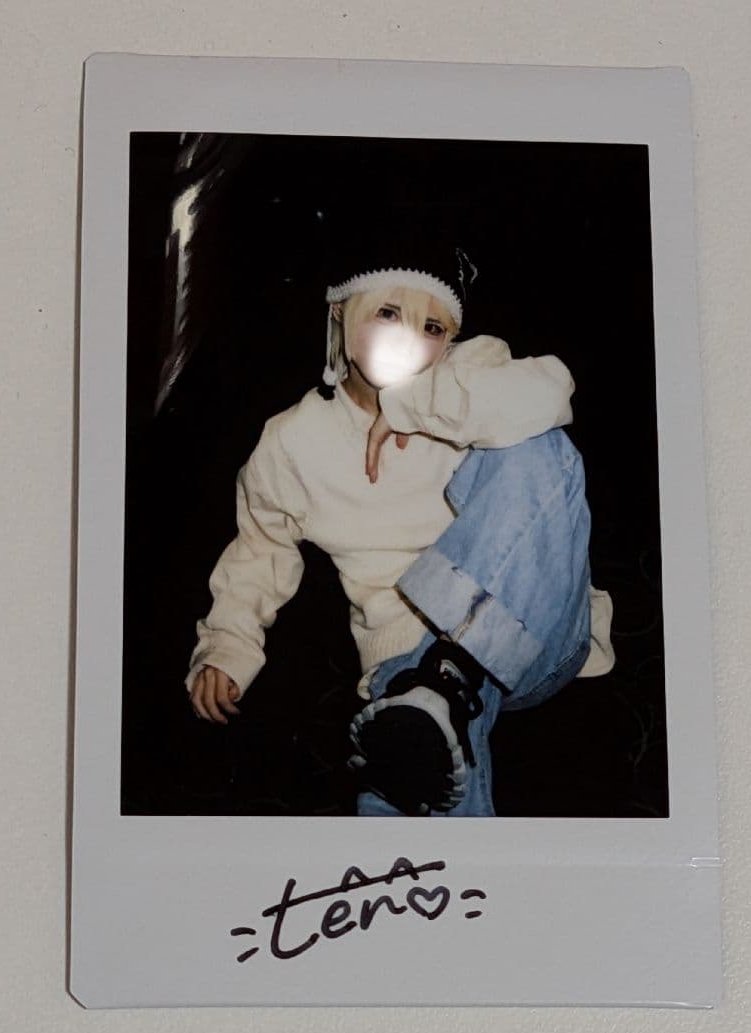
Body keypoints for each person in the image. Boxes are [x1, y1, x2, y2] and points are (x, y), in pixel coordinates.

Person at [185, 222, 615, 816]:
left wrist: (413, 405)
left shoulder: (469, 375)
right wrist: (227, 646)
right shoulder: (293, 442)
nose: (409, 337)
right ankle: (436, 705)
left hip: (536, 630)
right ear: (340, 314)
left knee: (537, 441)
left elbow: (552, 393)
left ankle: (446, 678)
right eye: (387, 313)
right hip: (409, 662)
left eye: (432, 327)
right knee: (412, 767)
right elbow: (260, 549)